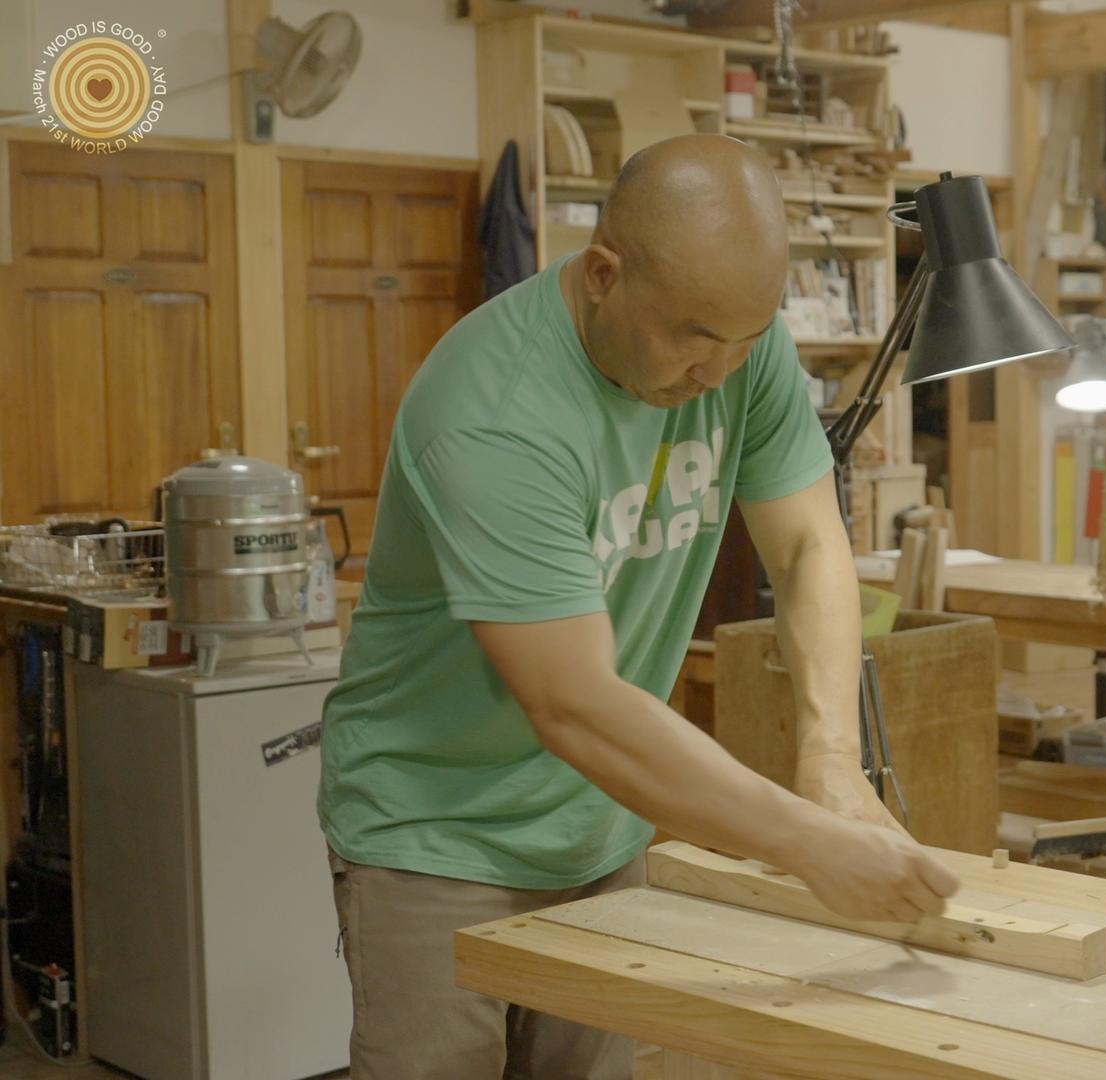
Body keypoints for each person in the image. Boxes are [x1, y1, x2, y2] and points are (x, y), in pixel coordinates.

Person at [316, 135, 959, 1079]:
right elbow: (573, 702)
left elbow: (808, 547)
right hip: (435, 833)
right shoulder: (495, 414)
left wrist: (829, 759)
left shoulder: (736, 343)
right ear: (603, 275)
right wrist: (805, 843)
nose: (719, 373)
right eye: (693, 338)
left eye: (746, 341)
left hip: (604, 822)